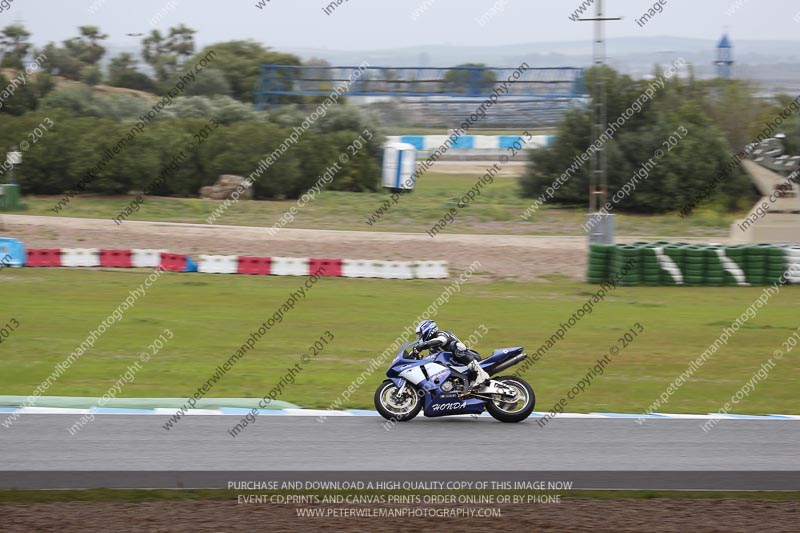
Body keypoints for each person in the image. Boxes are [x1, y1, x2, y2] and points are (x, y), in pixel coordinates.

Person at [411, 320, 490, 390]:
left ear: (428, 331)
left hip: (471, 358)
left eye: (420, 335)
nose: (420, 338)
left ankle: (481, 374)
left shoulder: (443, 334)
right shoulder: (432, 349)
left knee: (454, 345)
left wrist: (422, 346)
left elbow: (440, 341)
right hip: (456, 368)